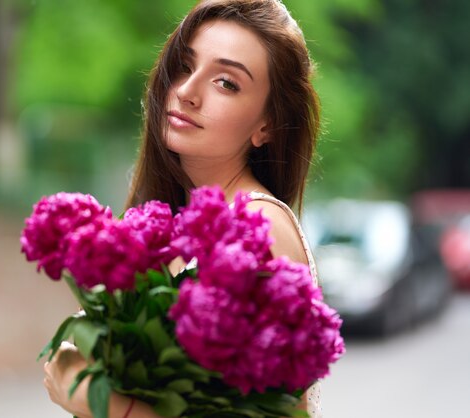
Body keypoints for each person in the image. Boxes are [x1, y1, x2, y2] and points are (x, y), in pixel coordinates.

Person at [43, 0, 323, 416]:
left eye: (226, 83)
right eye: (185, 67)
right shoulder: (173, 222)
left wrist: (98, 400)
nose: (188, 92)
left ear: (267, 124)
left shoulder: (257, 224)